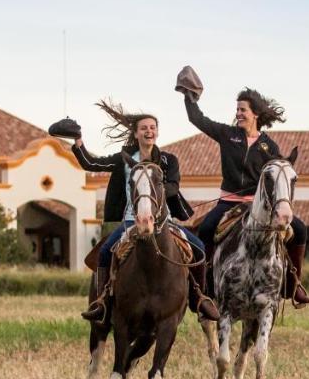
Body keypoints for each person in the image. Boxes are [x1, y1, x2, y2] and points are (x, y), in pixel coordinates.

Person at [71, 101, 220, 324]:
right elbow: (92, 163)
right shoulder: (124, 159)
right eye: (144, 128)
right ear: (136, 133)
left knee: (199, 248)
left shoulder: (169, 160)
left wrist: (153, 188)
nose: (149, 131)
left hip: (164, 222)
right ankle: (102, 302)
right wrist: (78, 141)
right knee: (103, 253)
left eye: (152, 127)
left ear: (157, 132)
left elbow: (174, 186)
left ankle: (199, 297)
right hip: (131, 221)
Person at [182, 80, 309, 307]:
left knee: (299, 229)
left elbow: (277, 173)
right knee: (205, 229)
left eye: (243, 110)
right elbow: (197, 119)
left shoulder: (268, 146)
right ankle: (203, 290)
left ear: (255, 114)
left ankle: (294, 285)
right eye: (238, 109)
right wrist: (188, 96)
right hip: (228, 202)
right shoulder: (226, 134)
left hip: (257, 205)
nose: (238, 113)